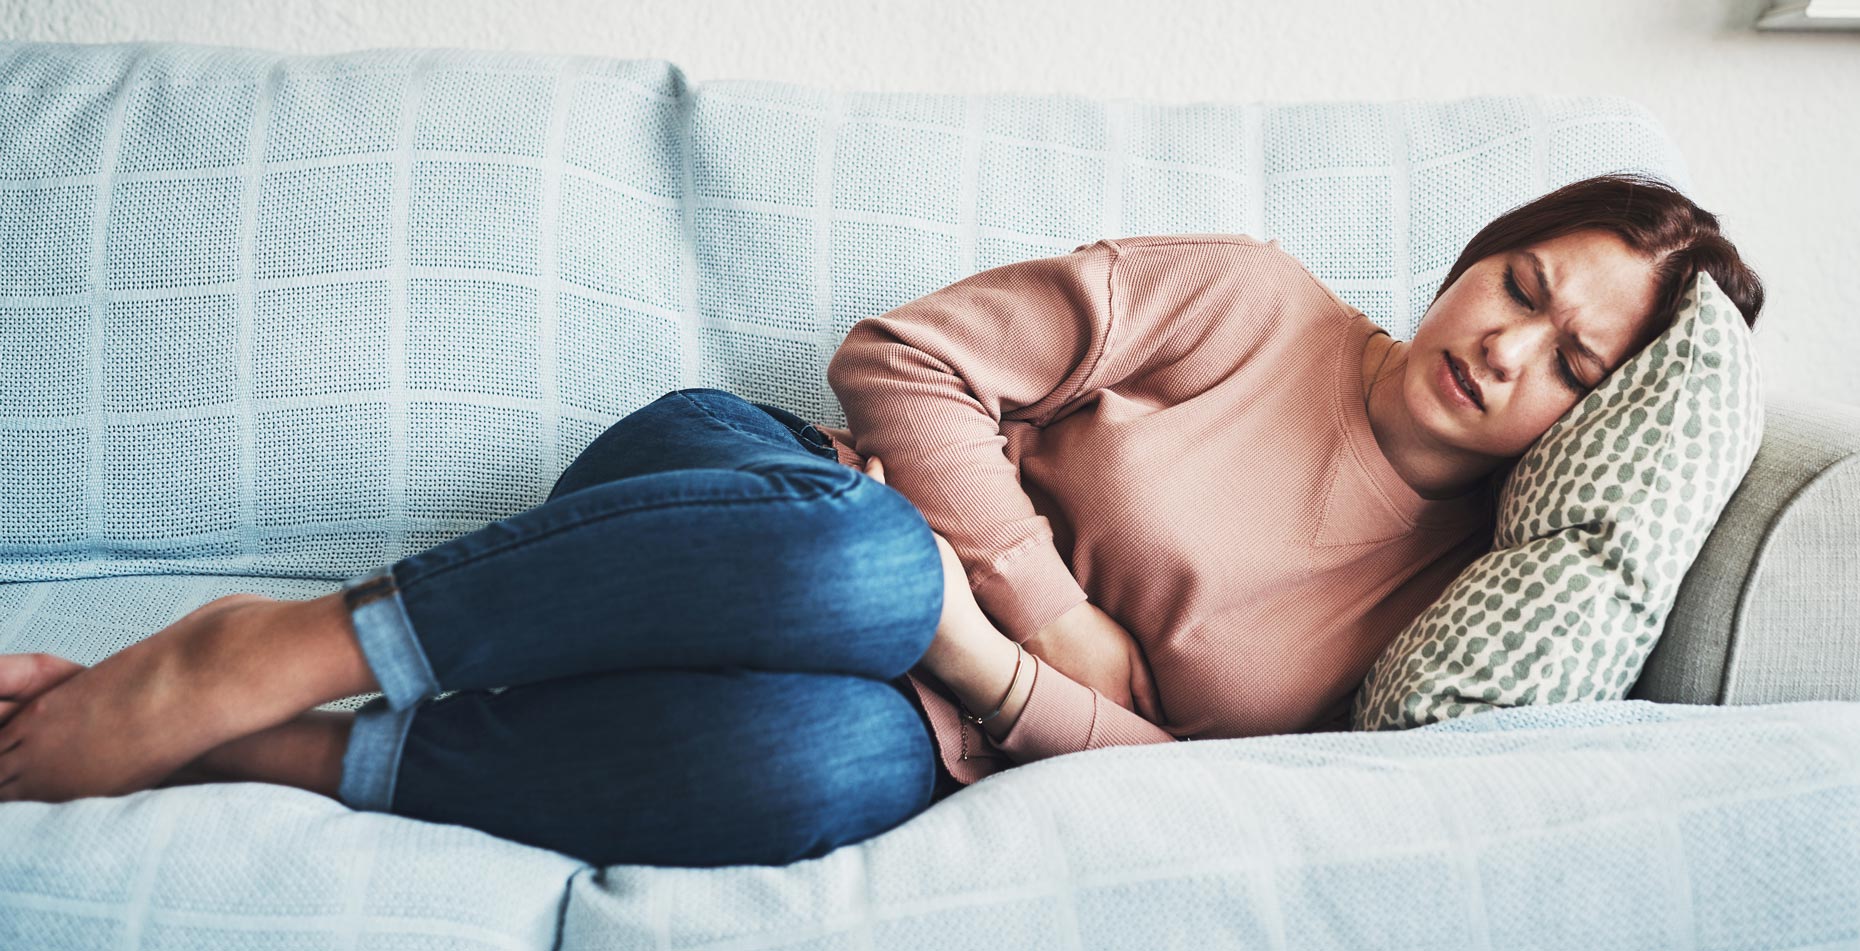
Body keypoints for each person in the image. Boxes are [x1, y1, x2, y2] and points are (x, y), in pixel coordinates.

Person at [0, 171, 1764, 869]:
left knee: (821, 779)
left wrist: (978, 661)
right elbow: (906, 362)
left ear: (1591, 416)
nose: (1507, 346)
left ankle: (277, 759)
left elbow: (1170, 769)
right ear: (1472, 253)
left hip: (912, 711)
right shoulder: (1248, 300)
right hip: (742, 501)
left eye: (1570, 359)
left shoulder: (1446, 610)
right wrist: (1046, 627)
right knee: (856, 555)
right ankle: (266, 649)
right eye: (1517, 283)